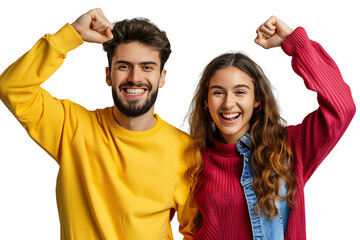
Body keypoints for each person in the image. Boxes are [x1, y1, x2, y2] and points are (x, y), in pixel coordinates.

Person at [0, 8, 198, 240]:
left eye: (147, 67)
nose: (135, 77)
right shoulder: (71, 127)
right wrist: (71, 34)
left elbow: (196, 231)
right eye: (124, 66)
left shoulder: (186, 149)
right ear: (108, 75)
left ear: (162, 77)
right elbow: (12, 87)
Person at [185, 16, 356, 239]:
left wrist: (295, 44)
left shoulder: (289, 147)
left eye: (240, 92)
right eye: (218, 92)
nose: (228, 103)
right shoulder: (193, 156)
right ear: (205, 103)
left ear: (257, 100)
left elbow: (341, 108)